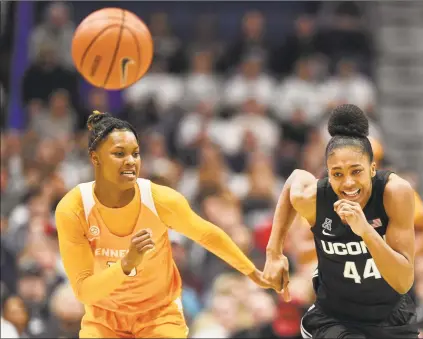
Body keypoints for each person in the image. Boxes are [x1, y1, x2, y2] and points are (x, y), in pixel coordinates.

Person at [55, 111, 274, 338]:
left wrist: (251, 271)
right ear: (95, 158)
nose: (130, 161)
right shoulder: (73, 208)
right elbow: (85, 292)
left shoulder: (160, 200)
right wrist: (126, 264)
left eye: (135, 153)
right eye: (119, 153)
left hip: (158, 315)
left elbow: (207, 235)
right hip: (104, 319)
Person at [263, 104, 419, 338]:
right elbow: (295, 179)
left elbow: (403, 282)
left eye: (356, 171)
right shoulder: (315, 198)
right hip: (334, 318)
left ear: (372, 168)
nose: (347, 183)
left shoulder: (395, 193)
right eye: (337, 174)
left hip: (390, 316)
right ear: (327, 172)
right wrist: (274, 253)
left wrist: (365, 231)